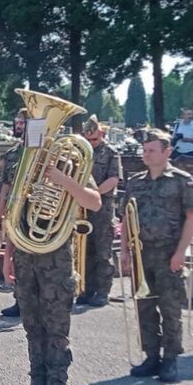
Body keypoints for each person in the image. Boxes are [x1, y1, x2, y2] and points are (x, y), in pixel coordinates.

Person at [2, 135, 102, 385]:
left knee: (56, 327)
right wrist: (8, 256)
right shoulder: (23, 165)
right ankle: (37, 384)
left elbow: (94, 202)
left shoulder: (70, 164)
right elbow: (14, 215)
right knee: (32, 325)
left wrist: (62, 180)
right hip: (25, 255)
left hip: (56, 259)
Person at [121, 130, 193, 382]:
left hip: (169, 253)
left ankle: (171, 358)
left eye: (152, 150)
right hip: (141, 253)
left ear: (167, 152)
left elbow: (192, 217)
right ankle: (152, 356)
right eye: (144, 150)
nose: (146, 154)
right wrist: (124, 251)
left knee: (170, 308)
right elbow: (126, 218)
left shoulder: (182, 180)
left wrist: (181, 252)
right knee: (144, 307)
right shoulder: (135, 182)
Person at [78, 115, 120, 307]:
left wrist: (93, 194)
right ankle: (85, 289)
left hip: (103, 207)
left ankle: (103, 291)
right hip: (82, 208)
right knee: (84, 251)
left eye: (94, 139)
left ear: (101, 134)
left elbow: (113, 179)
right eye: (88, 139)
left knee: (103, 251)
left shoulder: (111, 152)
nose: (91, 142)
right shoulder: (80, 152)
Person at [0, 108, 28, 317]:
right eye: (17, 122)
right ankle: (19, 299)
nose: (18, 126)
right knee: (16, 256)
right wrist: (1, 212)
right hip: (15, 211)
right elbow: (5, 186)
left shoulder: (45, 151)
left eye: (22, 122)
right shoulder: (12, 154)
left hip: (35, 212)